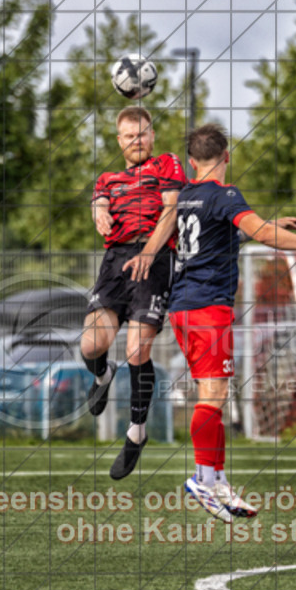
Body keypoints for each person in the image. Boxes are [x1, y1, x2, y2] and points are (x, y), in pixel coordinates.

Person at [166, 123, 296, 522]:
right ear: (227, 157)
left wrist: (270, 224)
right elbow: (259, 232)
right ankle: (202, 480)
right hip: (208, 307)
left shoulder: (184, 196)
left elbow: (213, 239)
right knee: (213, 396)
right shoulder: (225, 194)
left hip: (182, 306)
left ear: (192, 162)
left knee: (215, 393)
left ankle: (216, 480)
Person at [82, 106, 186, 480]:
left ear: (152, 134)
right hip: (116, 259)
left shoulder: (167, 164)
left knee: (136, 349)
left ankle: (136, 432)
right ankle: (101, 376)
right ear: (119, 140)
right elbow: (100, 199)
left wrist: (149, 252)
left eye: (141, 133)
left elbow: (171, 211)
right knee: (92, 346)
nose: (136, 141)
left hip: (154, 256)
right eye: (128, 136)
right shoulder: (107, 178)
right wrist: (99, 207)